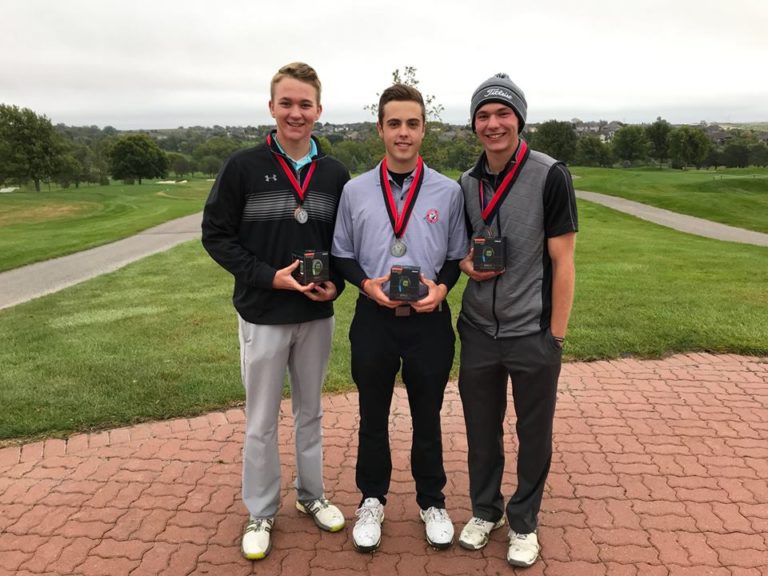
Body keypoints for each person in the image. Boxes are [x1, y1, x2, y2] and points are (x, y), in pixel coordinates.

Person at [201, 62, 349, 561]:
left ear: (319, 111)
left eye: (305, 104)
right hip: (263, 312)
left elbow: (344, 245)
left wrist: (336, 288)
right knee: (261, 420)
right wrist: (269, 276)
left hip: (315, 316)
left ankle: (312, 496)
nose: (295, 112)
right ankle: (261, 510)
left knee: (312, 412)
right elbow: (216, 236)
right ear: (271, 107)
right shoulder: (242, 166)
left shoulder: (334, 173)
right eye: (286, 103)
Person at [331, 83, 468, 552]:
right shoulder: (354, 191)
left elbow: (454, 257)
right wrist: (367, 285)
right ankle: (372, 499)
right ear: (380, 129)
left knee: (427, 417)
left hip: (428, 321)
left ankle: (432, 501)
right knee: (372, 416)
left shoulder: (448, 192)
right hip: (374, 318)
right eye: (394, 124)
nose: (403, 133)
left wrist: (443, 288)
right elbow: (343, 256)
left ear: (424, 129)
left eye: (412, 124)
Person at [456, 73, 578, 568]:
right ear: (474, 125)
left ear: (519, 120)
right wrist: (466, 265)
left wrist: (557, 336)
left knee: (534, 432)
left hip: (533, 332)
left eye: (503, 113)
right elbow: (461, 253)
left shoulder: (550, 175)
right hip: (479, 329)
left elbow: (564, 262)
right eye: (483, 115)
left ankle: (524, 521)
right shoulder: (466, 183)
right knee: (480, 429)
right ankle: (487, 510)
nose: (493, 123)